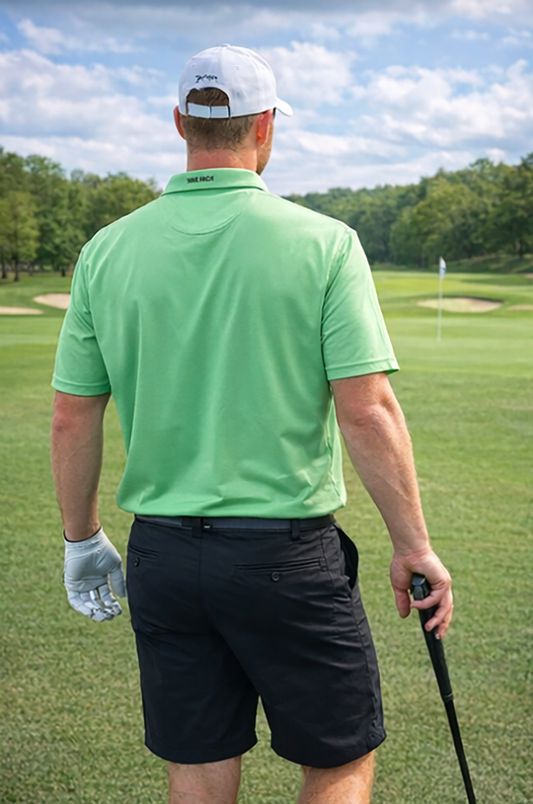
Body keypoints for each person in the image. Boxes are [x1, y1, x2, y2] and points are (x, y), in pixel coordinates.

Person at [51, 44, 453, 804]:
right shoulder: (324, 242)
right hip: (285, 558)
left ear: (180, 124)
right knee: (336, 764)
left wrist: (80, 540)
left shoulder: (106, 250)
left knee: (197, 770)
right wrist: (413, 546)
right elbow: (365, 411)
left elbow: (73, 415)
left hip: (163, 556)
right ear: (264, 127)